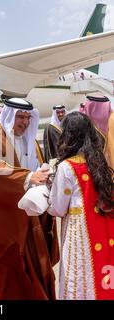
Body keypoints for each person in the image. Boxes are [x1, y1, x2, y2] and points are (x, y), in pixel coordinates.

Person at [0, 97, 59, 300]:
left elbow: (36, 168)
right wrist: (28, 178)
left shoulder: (29, 140)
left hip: (30, 217)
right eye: (20, 116)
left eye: (28, 117)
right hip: (3, 221)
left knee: (35, 269)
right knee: (6, 273)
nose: (25, 122)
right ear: (9, 115)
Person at [47, 111, 114, 300]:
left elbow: (58, 208)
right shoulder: (100, 162)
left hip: (79, 232)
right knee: (101, 277)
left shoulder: (67, 167)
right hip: (103, 229)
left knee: (79, 278)